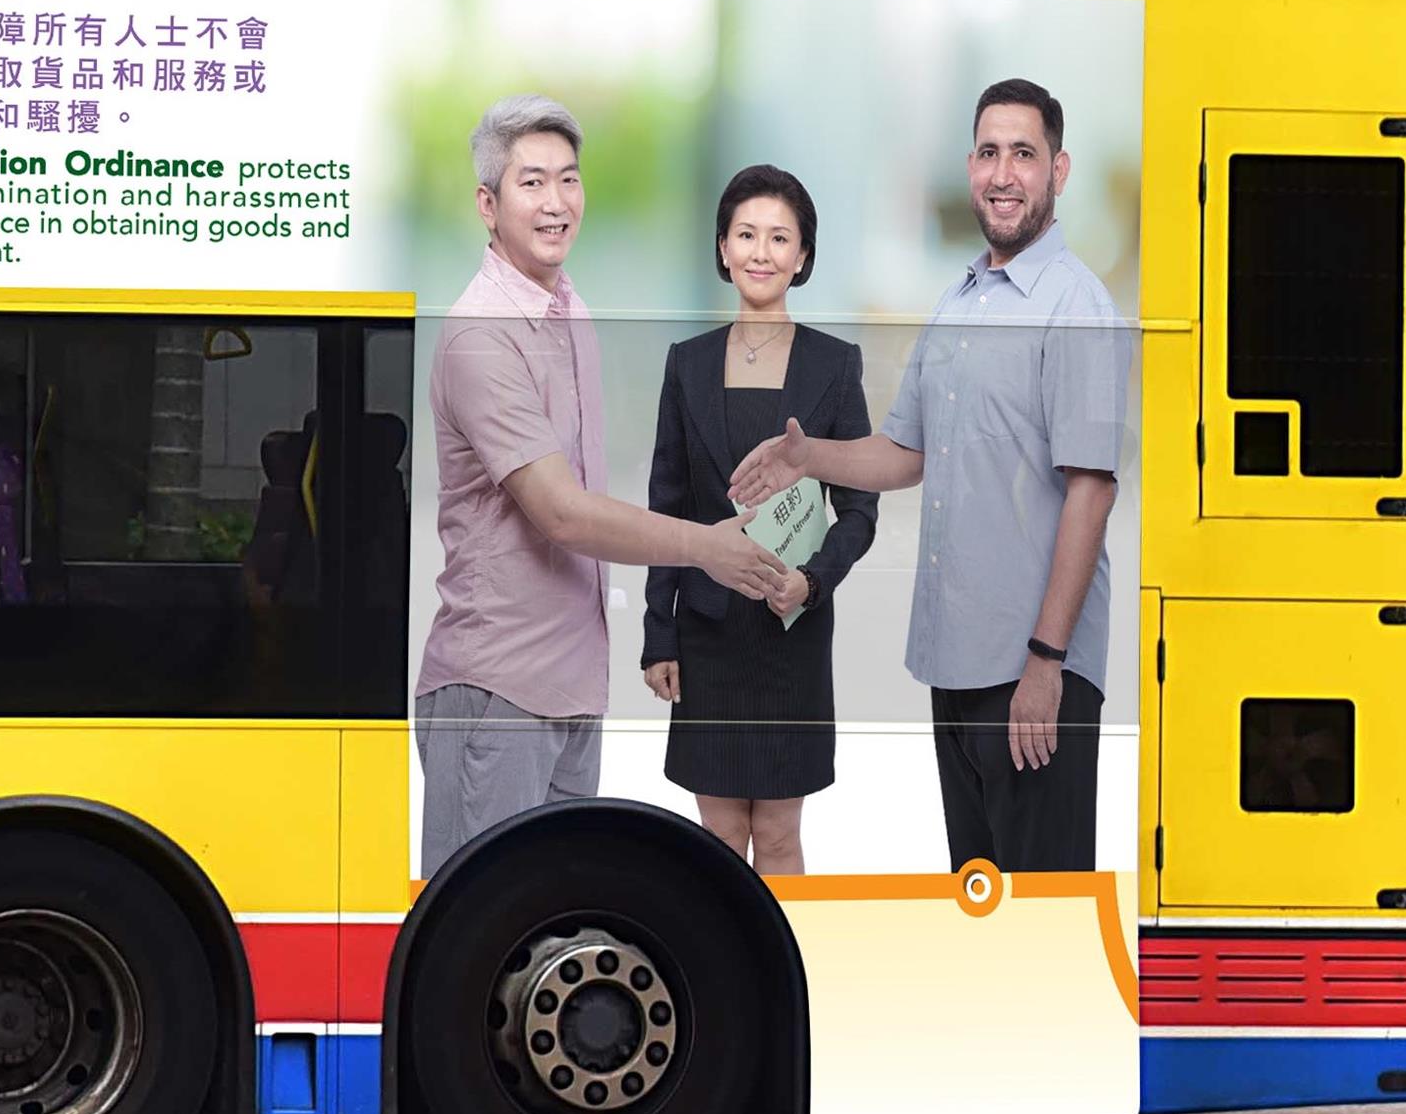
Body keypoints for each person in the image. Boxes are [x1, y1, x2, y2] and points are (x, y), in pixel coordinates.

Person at [734, 78, 1130, 873]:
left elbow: (1092, 490)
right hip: (956, 668)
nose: (1004, 172)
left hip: (1031, 673)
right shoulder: (960, 302)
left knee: (1041, 929)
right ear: (970, 167)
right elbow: (907, 453)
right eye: (989, 152)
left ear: (1059, 171)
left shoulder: (1075, 304)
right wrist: (810, 457)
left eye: (1025, 153)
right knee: (979, 913)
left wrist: (1047, 663)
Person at [419, 96, 795, 876]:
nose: (556, 203)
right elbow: (561, 512)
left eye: (568, 180)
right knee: (479, 931)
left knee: (549, 929)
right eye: (531, 184)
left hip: (571, 685)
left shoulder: (571, 310)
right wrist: (706, 551)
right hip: (499, 691)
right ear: (488, 205)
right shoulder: (482, 337)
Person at [640, 166, 878, 875]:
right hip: (708, 631)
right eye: (746, 234)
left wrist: (811, 582)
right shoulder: (687, 365)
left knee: (777, 834)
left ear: (802, 256)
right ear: (722, 247)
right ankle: (721, 985)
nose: (761, 251)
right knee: (714, 841)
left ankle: (783, 985)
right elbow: (668, 506)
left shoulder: (834, 366)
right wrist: (660, 632)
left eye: (780, 237)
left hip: (790, 633)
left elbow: (861, 509)